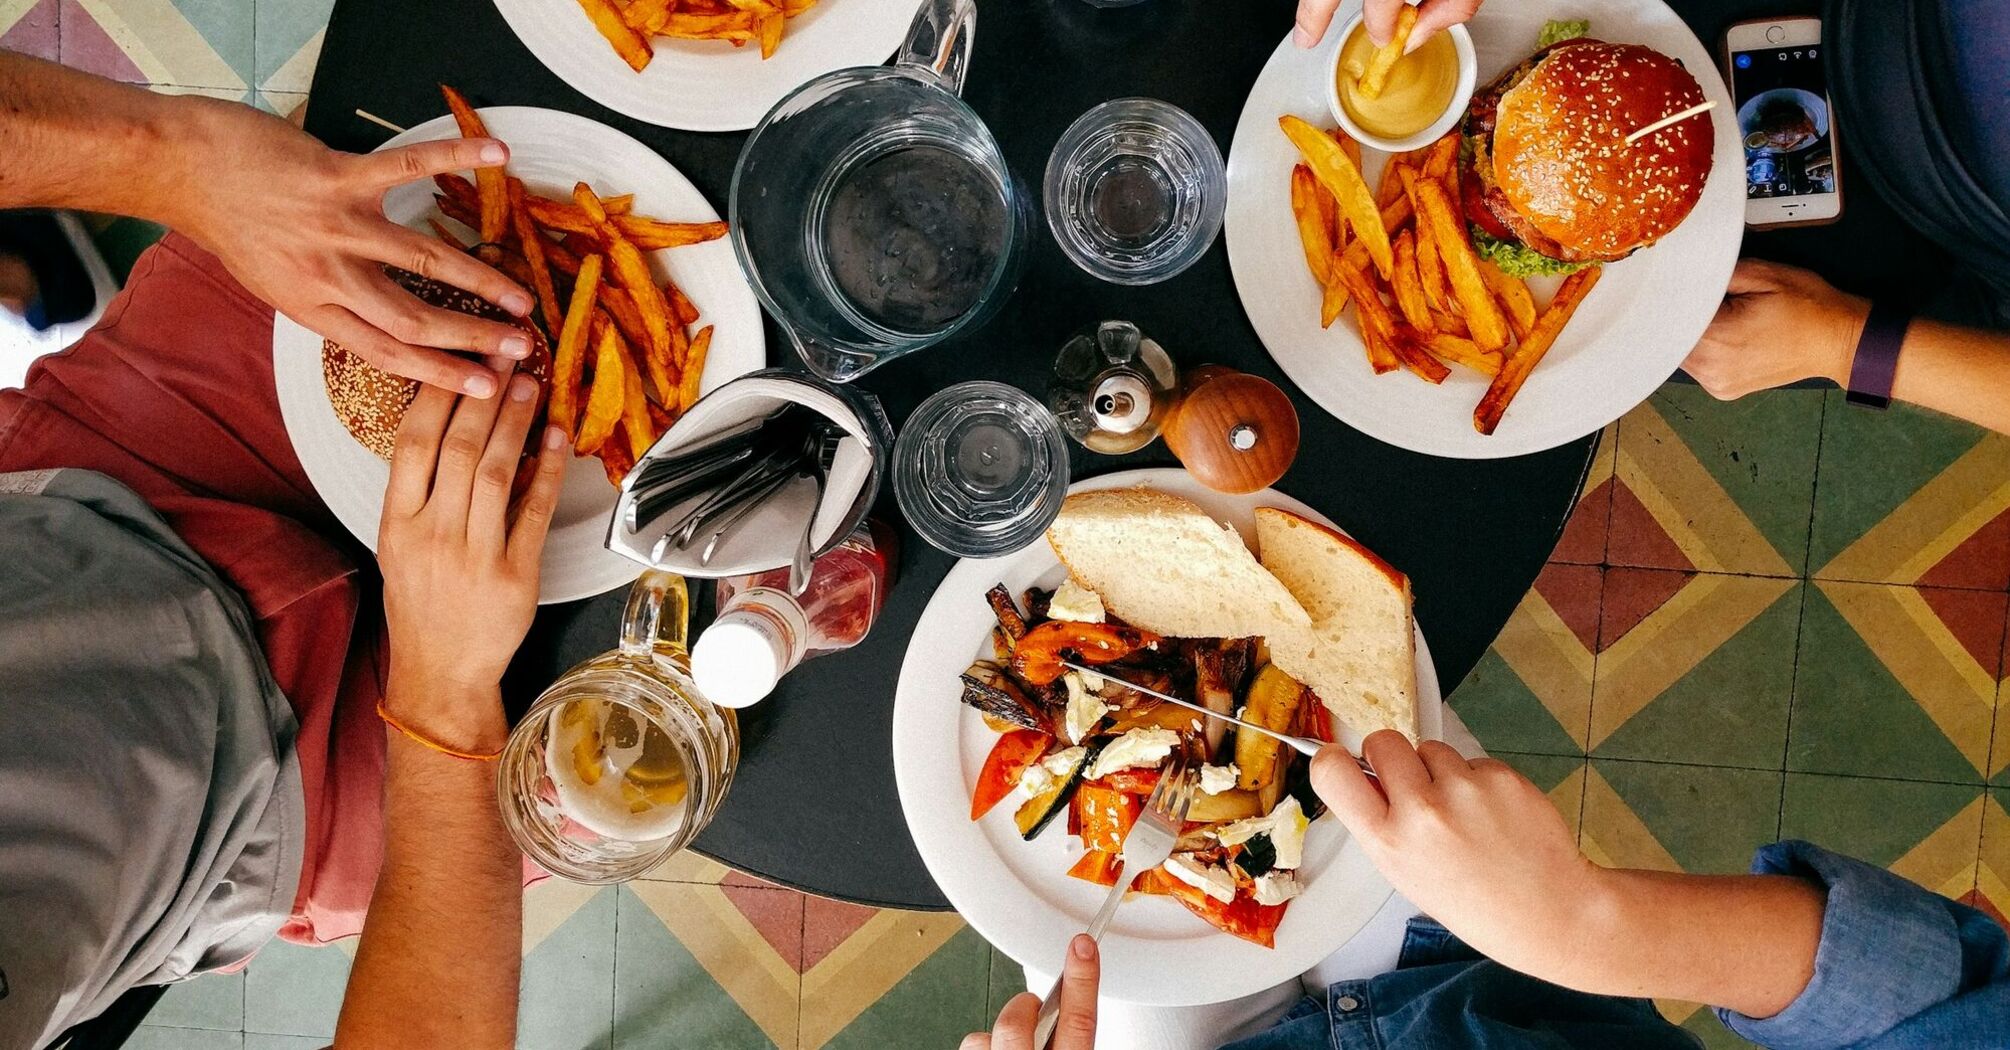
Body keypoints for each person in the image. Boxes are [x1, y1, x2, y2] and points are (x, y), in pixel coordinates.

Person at [0, 52, 552, 1047]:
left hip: (91, 481)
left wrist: (169, 161)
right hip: (286, 810)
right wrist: (443, 698)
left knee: (428, 117)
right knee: (746, 636)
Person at [964, 732, 2010, 1050]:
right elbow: (1947, 997)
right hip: (1509, 981)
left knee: (1069, 893)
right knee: (1365, 728)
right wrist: (1587, 923)